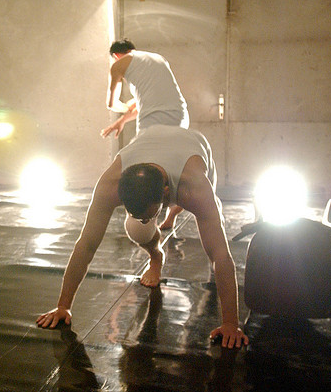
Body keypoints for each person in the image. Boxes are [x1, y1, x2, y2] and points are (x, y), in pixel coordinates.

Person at [37, 125, 249, 349]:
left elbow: (220, 255)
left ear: (166, 193)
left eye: (149, 216)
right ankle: (156, 257)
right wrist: (63, 306)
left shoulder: (194, 186)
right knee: (137, 230)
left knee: (213, 228)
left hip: (194, 143)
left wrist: (230, 323)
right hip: (149, 136)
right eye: (137, 215)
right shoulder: (110, 184)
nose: (146, 221)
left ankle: (175, 212)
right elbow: (86, 244)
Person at [103, 38, 190, 229]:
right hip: (180, 116)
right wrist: (123, 120)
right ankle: (171, 215)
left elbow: (111, 104)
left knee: (145, 171)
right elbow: (151, 103)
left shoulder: (118, 64)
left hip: (153, 122)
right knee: (174, 167)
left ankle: (145, 218)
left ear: (116, 55)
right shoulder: (158, 58)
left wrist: (125, 107)